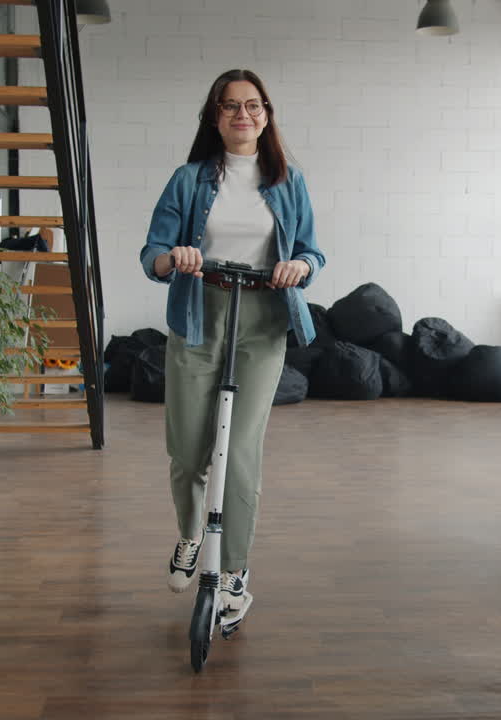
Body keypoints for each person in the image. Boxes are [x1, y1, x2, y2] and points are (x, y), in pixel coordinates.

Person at [139, 69, 326, 629]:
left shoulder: (288, 182)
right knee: (188, 451)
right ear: (214, 117)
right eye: (229, 106)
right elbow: (152, 252)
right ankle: (191, 535)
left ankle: (237, 573)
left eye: (252, 105)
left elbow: (314, 253)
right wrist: (175, 258)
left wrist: (300, 265)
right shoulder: (189, 178)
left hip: (263, 320)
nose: (241, 115)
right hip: (199, 316)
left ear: (266, 113)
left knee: (240, 453)